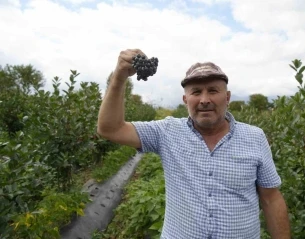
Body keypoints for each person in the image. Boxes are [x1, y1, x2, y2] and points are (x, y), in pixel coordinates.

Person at [97, 49, 291, 239]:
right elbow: (110, 128)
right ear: (185, 100)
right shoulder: (167, 132)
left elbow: (271, 198)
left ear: (228, 97)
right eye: (196, 92)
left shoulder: (254, 137)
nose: (204, 100)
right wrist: (119, 77)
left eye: (213, 90)